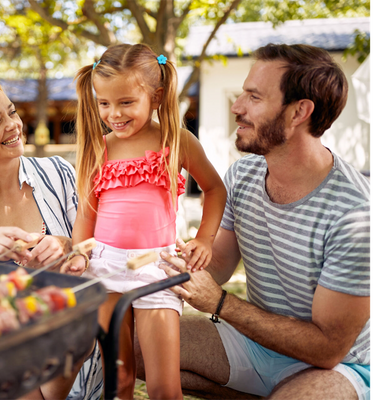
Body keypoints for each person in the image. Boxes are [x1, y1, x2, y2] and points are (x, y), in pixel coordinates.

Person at [148, 43, 373, 400]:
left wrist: (220, 303)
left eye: (253, 97)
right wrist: (168, 258)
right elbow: (217, 265)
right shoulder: (244, 175)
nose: (236, 107)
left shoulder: (356, 215)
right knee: (139, 342)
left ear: (299, 112)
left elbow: (327, 348)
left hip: (340, 365)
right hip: (255, 344)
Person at [65, 43, 227, 400]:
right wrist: (78, 253)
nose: (114, 114)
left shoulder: (177, 141)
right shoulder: (99, 148)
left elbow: (215, 189)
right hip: (104, 269)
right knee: (119, 382)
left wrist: (205, 238)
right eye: (104, 103)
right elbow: (87, 211)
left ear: (156, 97)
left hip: (157, 269)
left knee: (164, 388)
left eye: (126, 102)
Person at [0, 76, 102, 400]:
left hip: (74, 347)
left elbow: (98, 246)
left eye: (11, 112)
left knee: (69, 335)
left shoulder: (58, 172)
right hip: (12, 350)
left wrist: (67, 246)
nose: (13, 125)